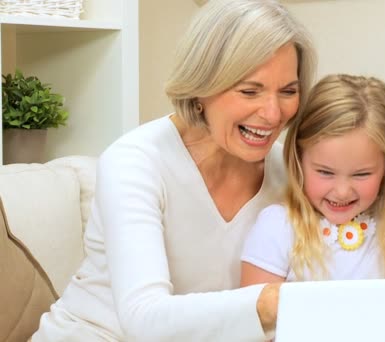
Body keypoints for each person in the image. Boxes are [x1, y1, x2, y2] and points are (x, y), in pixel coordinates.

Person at [32, 0, 316, 341]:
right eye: (249, 91)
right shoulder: (136, 161)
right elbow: (143, 317)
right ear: (201, 87)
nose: (272, 114)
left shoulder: (289, 172)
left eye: (288, 91)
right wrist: (270, 303)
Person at [240, 74, 385, 285]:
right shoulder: (278, 226)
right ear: (299, 159)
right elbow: (255, 313)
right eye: (325, 172)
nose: (342, 191)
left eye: (361, 174)